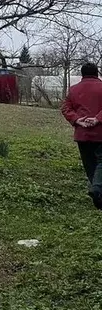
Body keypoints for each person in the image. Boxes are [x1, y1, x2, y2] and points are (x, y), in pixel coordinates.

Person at [62, 62, 102, 208]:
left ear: (82, 74)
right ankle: (97, 189)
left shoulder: (73, 90)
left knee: (89, 165)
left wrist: (77, 119)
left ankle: (97, 196)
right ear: (97, 73)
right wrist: (97, 118)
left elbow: (65, 107)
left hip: (82, 134)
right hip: (100, 133)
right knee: (101, 162)